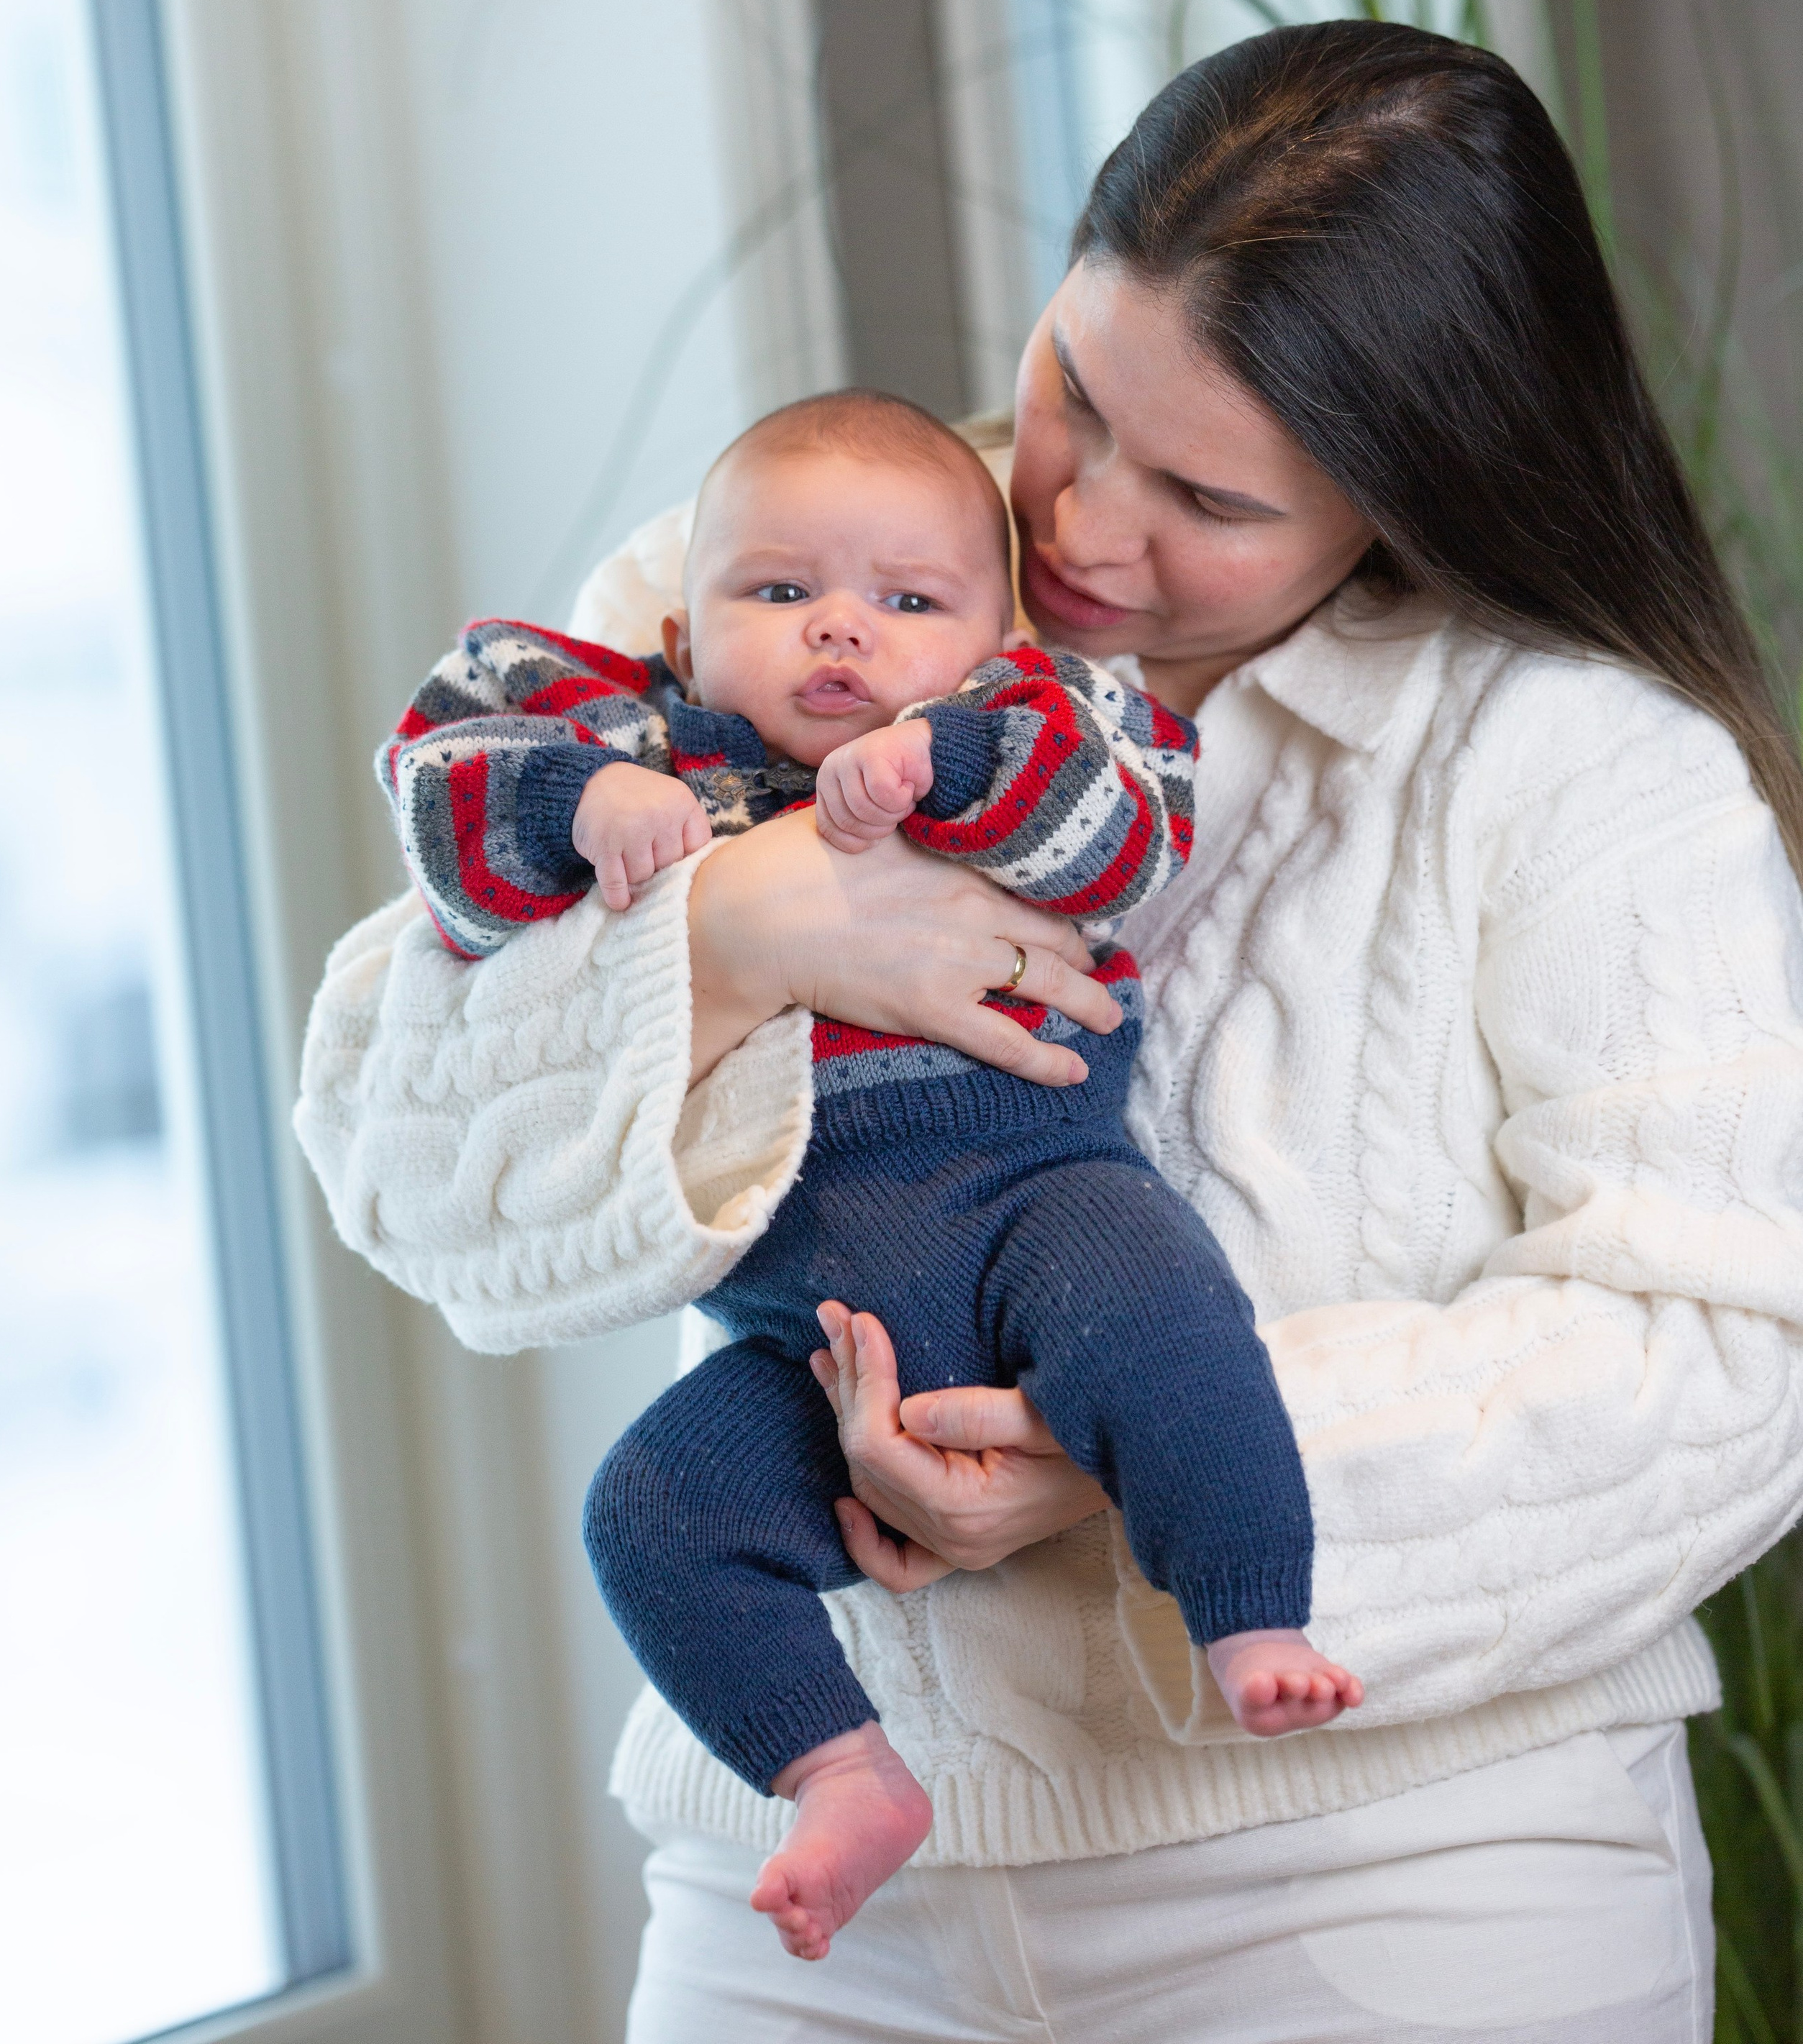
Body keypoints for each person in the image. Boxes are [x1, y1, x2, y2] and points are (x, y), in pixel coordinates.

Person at [296, 22, 1803, 2041]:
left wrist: (1142, 1460)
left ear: (1399, 499)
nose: (1082, 527)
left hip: (1395, 1882)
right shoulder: (780, 571)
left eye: (1208, 496)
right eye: (1074, 391)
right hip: (809, 1886)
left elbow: (1729, 1356)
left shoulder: (1575, 758)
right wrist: (740, 929)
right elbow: (397, 1171)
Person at [374, 391, 1359, 1960]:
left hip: (1038, 1202)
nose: (841, 628)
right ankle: (839, 1773)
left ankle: (1249, 1613)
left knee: (1169, 1333)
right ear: (681, 639)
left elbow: (1123, 833)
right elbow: (444, 792)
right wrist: (587, 806)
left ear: (995, 635)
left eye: (907, 604)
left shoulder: (1036, 710)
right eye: (780, 593)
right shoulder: (637, 736)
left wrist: (940, 755)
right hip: (804, 1329)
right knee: (649, 1513)